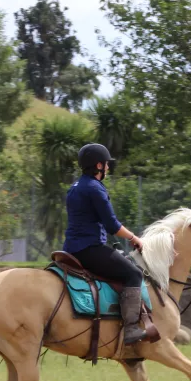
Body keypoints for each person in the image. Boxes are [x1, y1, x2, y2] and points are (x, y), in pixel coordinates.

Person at [62, 143, 147, 345]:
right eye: (107, 164)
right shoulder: (94, 189)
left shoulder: (75, 187)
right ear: (98, 165)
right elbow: (112, 225)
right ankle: (131, 329)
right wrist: (134, 238)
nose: (108, 168)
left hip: (71, 248)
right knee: (134, 274)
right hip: (89, 249)